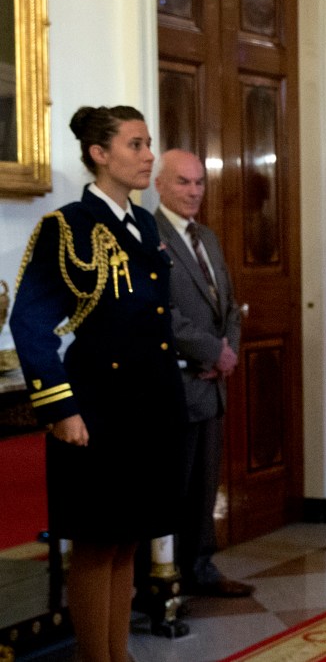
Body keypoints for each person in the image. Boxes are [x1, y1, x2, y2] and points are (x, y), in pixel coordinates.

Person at [10, 105, 186, 662]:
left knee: (127, 538)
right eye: (135, 145)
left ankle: (118, 655)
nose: (148, 155)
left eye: (149, 143)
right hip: (97, 409)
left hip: (148, 406)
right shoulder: (67, 227)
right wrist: (61, 409)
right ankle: (97, 658)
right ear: (99, 154)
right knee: (95, 543)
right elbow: (30, 322)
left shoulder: (144, 224)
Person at [151, 149, 252, 597]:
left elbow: (228, 303)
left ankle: (201, 567)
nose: (193, 191)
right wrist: (213, 352)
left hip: (212, 385)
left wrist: (227, 350)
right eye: (182, 182)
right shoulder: (147, 235)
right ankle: (164, 577)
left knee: (206, 484)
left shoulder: (207, 237)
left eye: (199, 182)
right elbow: (161, 313)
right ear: (159, 185)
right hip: (178, 384)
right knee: (173, 486)